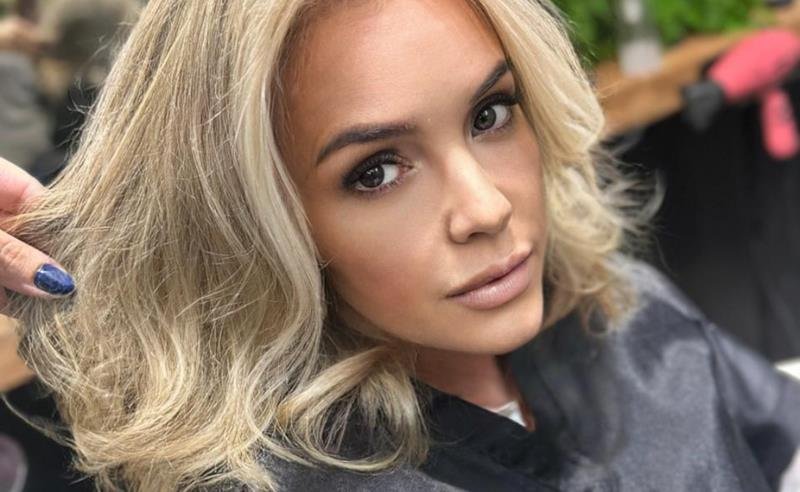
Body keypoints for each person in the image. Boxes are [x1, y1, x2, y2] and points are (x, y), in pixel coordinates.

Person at [0, 0, 798, 490]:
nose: (486, 208)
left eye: (490, 114)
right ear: (257, 225)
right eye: (376, 171)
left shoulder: (623, 309)